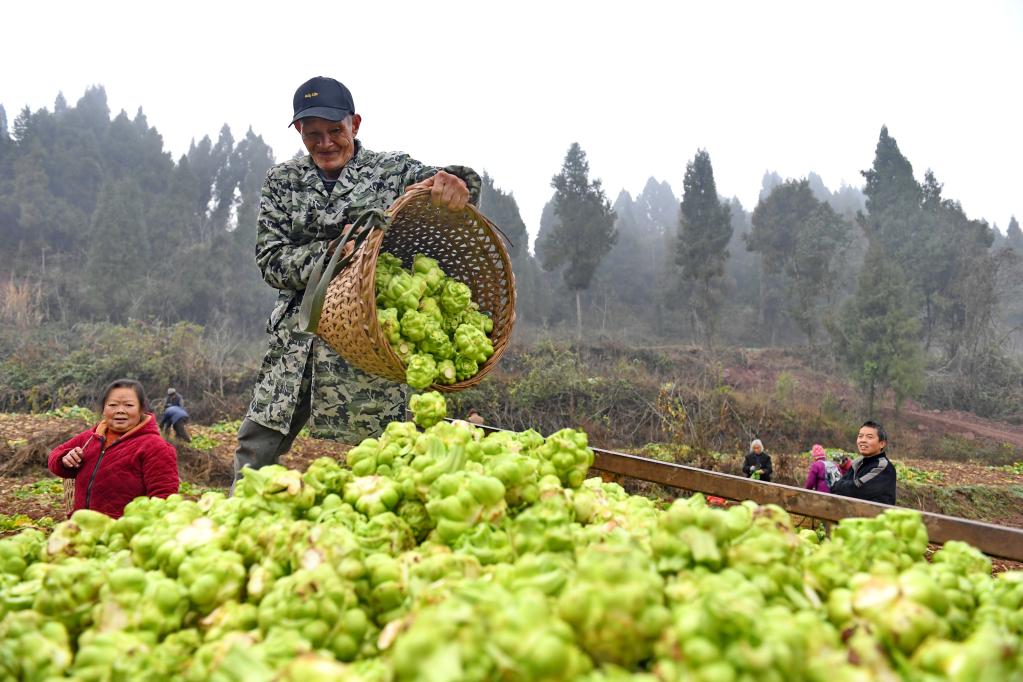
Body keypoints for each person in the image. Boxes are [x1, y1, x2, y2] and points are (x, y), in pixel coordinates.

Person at [233, 76, 481, 487]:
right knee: (257, 444)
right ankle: (236, 524)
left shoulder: (390, 171)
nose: (325, 143)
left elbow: (451, 183)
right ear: (299, 132)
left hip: (368, 338)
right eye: (313, 134)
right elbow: (271, 260)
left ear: (356, 124)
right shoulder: (282, 181)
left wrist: (456, 182)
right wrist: (332, 252)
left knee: (382, 453)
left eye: (335, 131)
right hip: (298, 337)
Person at [47, 379, 179, 518]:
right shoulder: (92, 437)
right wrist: (65, 460)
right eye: (113, 405)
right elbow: (54, 456)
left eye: (129, 405)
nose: (120, 410)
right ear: (104, 408)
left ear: (141, 409)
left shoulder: (155, 447)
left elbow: (164, 500)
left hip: (123, 535)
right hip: (83, 531)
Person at [831, 420, 897, 505]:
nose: (863, 440)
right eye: (860, 436)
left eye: (869, 437)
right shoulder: (857, 463)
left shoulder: (884, 467)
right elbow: (835, 488)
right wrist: (841, 486)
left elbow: (856, 490)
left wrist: (840, 486)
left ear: (882, 444)